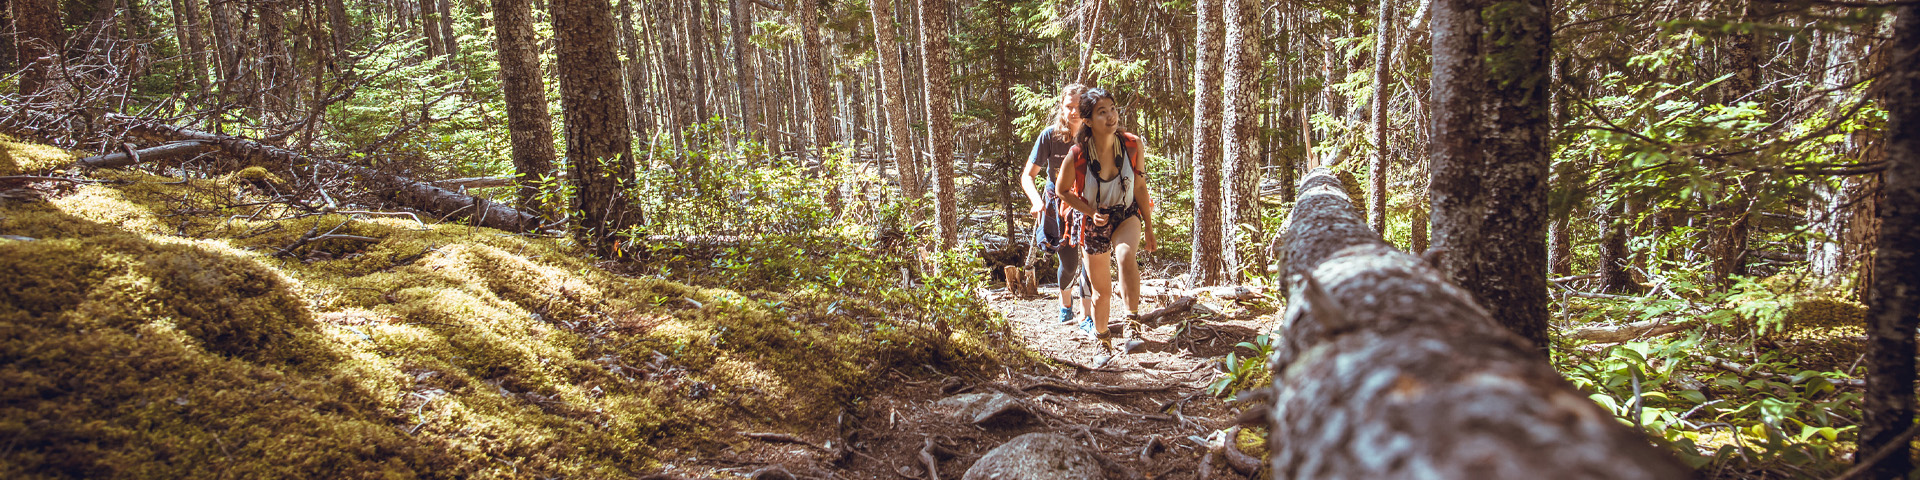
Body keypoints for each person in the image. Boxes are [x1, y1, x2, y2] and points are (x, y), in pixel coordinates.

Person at [1054, 88, 1156, 354]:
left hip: (1126, 213)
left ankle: (1132, 323)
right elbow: (1061, 190)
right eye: (1102, 112)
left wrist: (1150, 230)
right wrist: (1089, 212)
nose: (1111, 116)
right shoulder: (1077, 155)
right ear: (1087, 121)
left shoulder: (1132, 144)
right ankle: (1103, 340)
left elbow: (1141, 188)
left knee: (1124, 256)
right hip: (1094, 223)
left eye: (1113, 108)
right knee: (1101, 292)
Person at [1021, 84, 1094, 325]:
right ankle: (1065, 304)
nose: (1074, 112)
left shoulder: (1095, 135)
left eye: (1079, 107)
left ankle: (1088, 316)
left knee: (1092, 260)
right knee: (1070, 263)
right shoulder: (1050, 136)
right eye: (1069, 107)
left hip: (1089, 202)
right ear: (1061, 108)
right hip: (1058, 204)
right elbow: (1028, 176)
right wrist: (1036, 201)